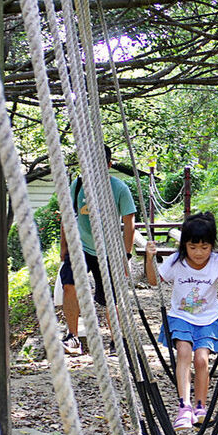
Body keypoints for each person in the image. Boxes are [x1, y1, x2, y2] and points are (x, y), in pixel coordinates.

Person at [145, 212, 218, 430]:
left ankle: (200, 407)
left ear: (212, 246)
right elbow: (153, 281)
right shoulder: (176, 261)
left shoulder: (217, 262)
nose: (198, 253)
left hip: (207, 320)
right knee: (183, 352)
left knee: (201, 360)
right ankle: (184, 407)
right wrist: (148, 258)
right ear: (184, 246)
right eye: (193, 247)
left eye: (205, 247)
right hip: (180, 317)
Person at [60, 144, 137, 355]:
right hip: (81, 245)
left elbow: (129, 222)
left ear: (109, 165)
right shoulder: (77, 186)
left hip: (108, 249)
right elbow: (67, 216)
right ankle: (73, 336)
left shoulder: (119, 188)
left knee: (110, 297)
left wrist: (126, 254)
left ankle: (116, 339)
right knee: (69, 285)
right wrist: (64, 247)